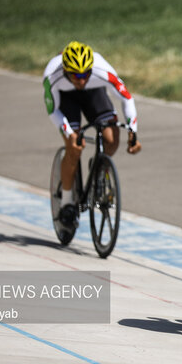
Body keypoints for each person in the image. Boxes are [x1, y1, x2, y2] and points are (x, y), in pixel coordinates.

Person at [43, 41, 142, 226]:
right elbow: (52, 110)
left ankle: (98, 165)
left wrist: (132, 131)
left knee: (111, 139)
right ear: (66, 71)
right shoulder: (52, 75)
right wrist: (69, 133)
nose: (81, 79)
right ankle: (66, 203)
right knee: (74, 147)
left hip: (93, 93)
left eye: (85, 74)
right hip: (66, 99)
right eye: (76, 75)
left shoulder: (101, 70)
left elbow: (127, 98)